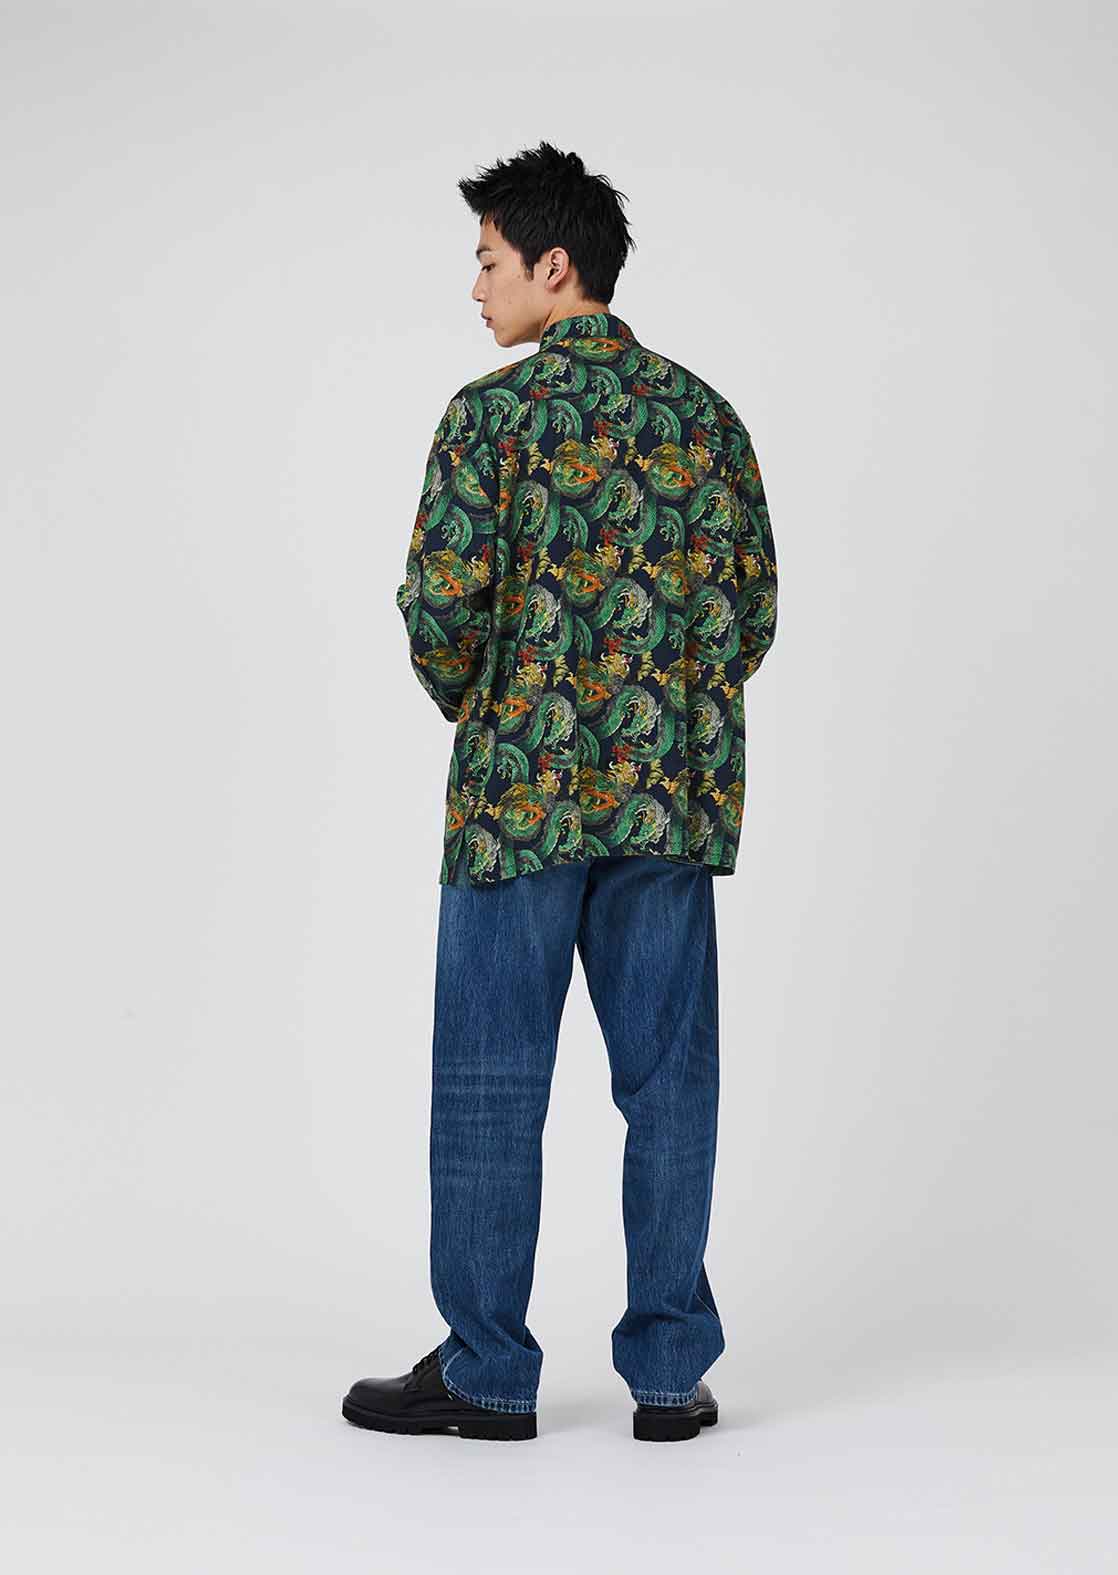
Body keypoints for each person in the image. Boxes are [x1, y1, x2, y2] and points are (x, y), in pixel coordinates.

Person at [342, 140, 778, 1444]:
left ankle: (487, 1373)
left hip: (515, 807)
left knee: (490, 1086)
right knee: (669, 1086)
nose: (475, 287)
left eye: (487, 261)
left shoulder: (489, 419)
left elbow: (440, 610)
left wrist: (497, 714)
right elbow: (748, 612)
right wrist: (667, 723)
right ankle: (668, 1376)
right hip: (664, 806)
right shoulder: (704, 418)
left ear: (552, 265)